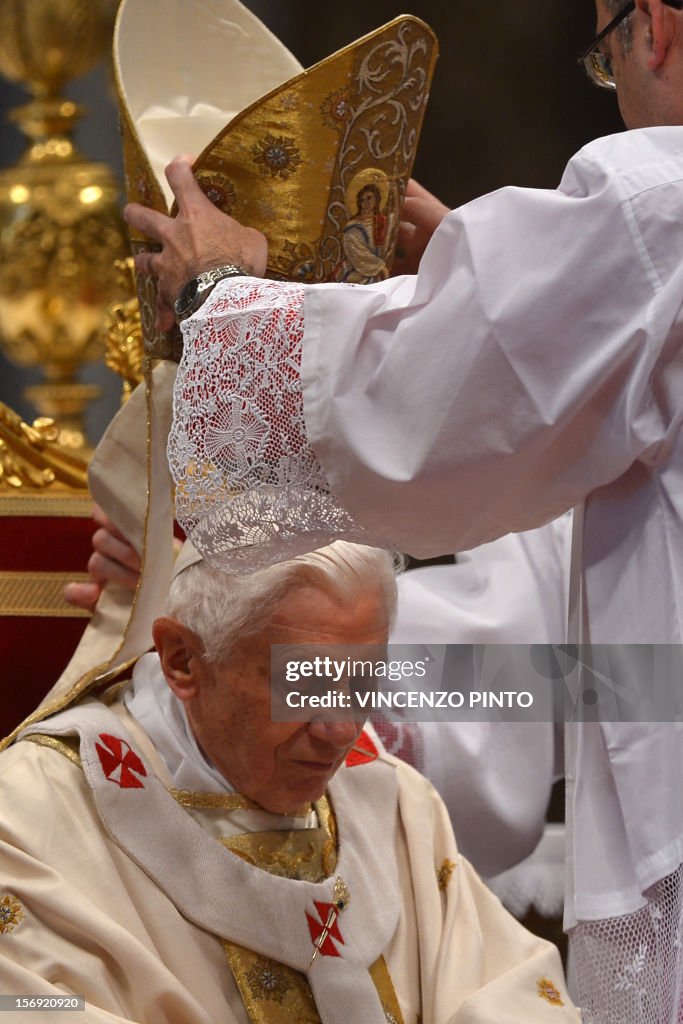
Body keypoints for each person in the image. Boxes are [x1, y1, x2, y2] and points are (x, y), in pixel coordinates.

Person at [123, 1, 683, 1019]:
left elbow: (405, 415)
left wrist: (215, 300)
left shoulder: (657, 204)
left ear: (650, 28)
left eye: (603, 63)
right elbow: (572, 654)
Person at [0, 539, 576, 1024]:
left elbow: (512, 988)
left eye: (364, 685)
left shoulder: (393, 801)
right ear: (182, 660)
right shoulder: (29, 817)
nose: (343, 730)